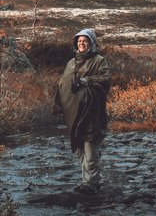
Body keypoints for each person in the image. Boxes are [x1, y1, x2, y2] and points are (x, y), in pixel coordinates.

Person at [52, 28, 111, 194]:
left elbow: (106, 79)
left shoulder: (99, 61)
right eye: (79, 41)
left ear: (91, 43)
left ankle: (90, 185)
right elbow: (62, 85)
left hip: (92, 113)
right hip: (73, 113)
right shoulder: (71, 63)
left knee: (90, 146)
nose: (82, 43)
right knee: (78, 146)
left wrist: (87, 80)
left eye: (85, 41)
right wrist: (58, 106)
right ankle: (89, 181)